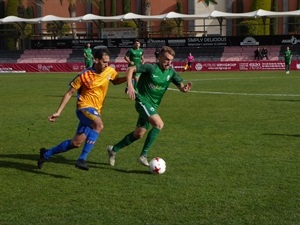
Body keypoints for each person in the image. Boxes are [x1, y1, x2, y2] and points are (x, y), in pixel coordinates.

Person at [37, 49, 126, 170]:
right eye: (104, 62)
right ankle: (82, 159)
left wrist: (128, 78)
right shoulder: (84, 75)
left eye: (108, 62)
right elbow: (69, 93)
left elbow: (115, 81)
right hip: (83, 108)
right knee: (99, 125)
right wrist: (58, 112)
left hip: (95, 111)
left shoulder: (110, 71)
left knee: (76, 143)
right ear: (96, 60)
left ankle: (46, 154)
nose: (107, 65)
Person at [107, 46, 192, 167]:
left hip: (153, 106)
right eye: (167, 59)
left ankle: (113, 149)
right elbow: (131, 69)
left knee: (138, 134)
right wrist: (130, 86)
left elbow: (181, 87)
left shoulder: (171, 72)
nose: (169, 62)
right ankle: (143, 155)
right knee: (159, 124)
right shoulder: (150, 67)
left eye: (171, 60)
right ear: (160, 57)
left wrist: (185, 89)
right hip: (142, 101)